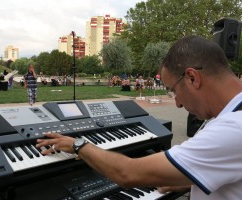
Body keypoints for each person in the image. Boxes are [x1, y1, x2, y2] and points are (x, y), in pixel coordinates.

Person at [35, 35, 242, 200]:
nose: (177, 103)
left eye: (173, 90)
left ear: (192, 77)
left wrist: (78, 144)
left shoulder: (232, 129)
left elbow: (128, 174)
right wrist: (193, 180)